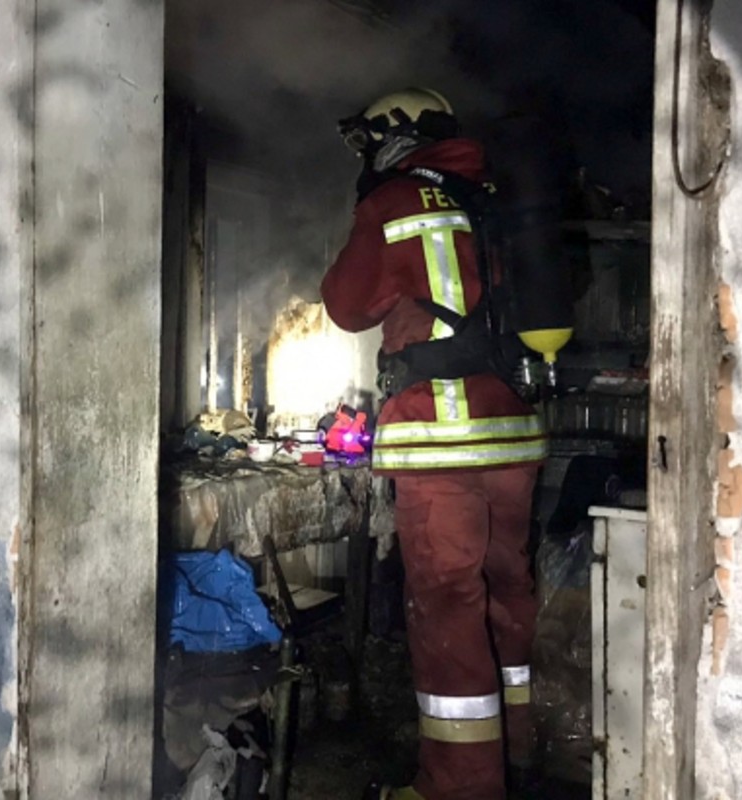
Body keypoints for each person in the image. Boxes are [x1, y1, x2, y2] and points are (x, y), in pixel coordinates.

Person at [321, 88, 545, 800]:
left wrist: (369, 213)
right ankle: (519, 753)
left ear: (395, 137)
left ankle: (459, 786)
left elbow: (346, 306)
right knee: (506, 594)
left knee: (448, 607)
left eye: (369, 144)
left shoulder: (395, 201)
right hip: (515, 435)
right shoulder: (497, 198)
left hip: (441, 439)